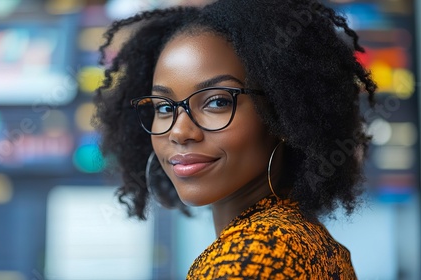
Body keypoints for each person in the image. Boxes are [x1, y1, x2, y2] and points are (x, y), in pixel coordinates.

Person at [94, 0, 376, 278]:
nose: (179, 132)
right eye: (165, 107)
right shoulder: (305, 240)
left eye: (217, 102)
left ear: (282, 114)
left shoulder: (252, 257)